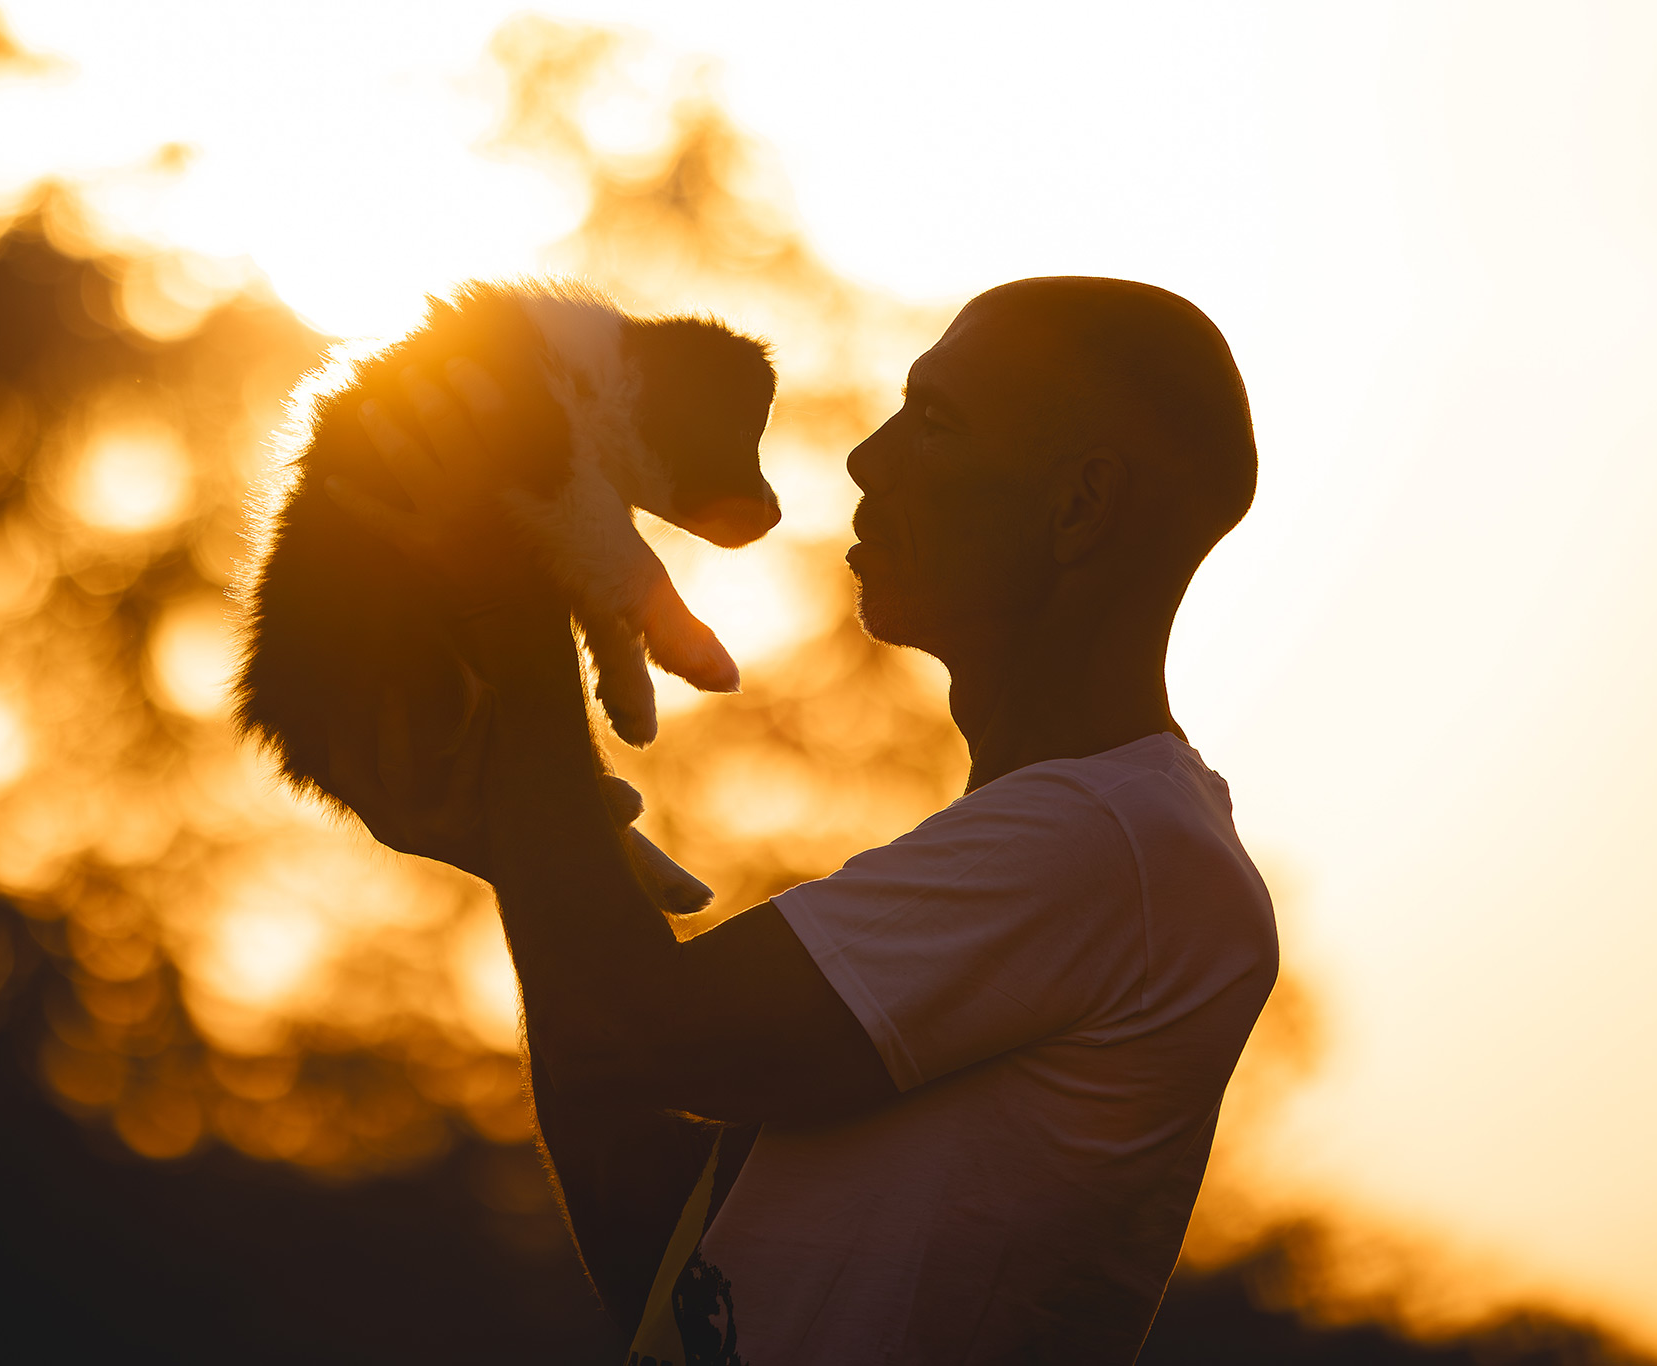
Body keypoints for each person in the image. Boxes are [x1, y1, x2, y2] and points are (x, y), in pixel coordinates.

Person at [327, 276, 1279, 1365]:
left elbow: (635, 1036)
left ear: (1076, 508)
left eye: (935, 421)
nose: (867, 458)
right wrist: (518, 826)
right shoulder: (1081, 847)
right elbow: (678, 1273)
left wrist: (515, 580)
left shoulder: (1111, 850)